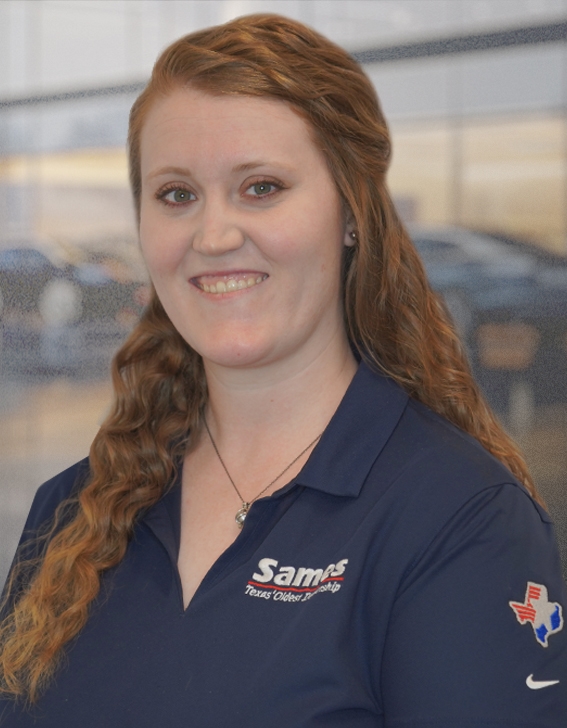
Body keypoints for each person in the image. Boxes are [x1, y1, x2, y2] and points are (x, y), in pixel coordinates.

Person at [1, 13, 566, 727]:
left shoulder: (458, 520)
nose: (213, 235)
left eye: (261, 187)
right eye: (177, 194)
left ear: (351, 212)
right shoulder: (70, 513)